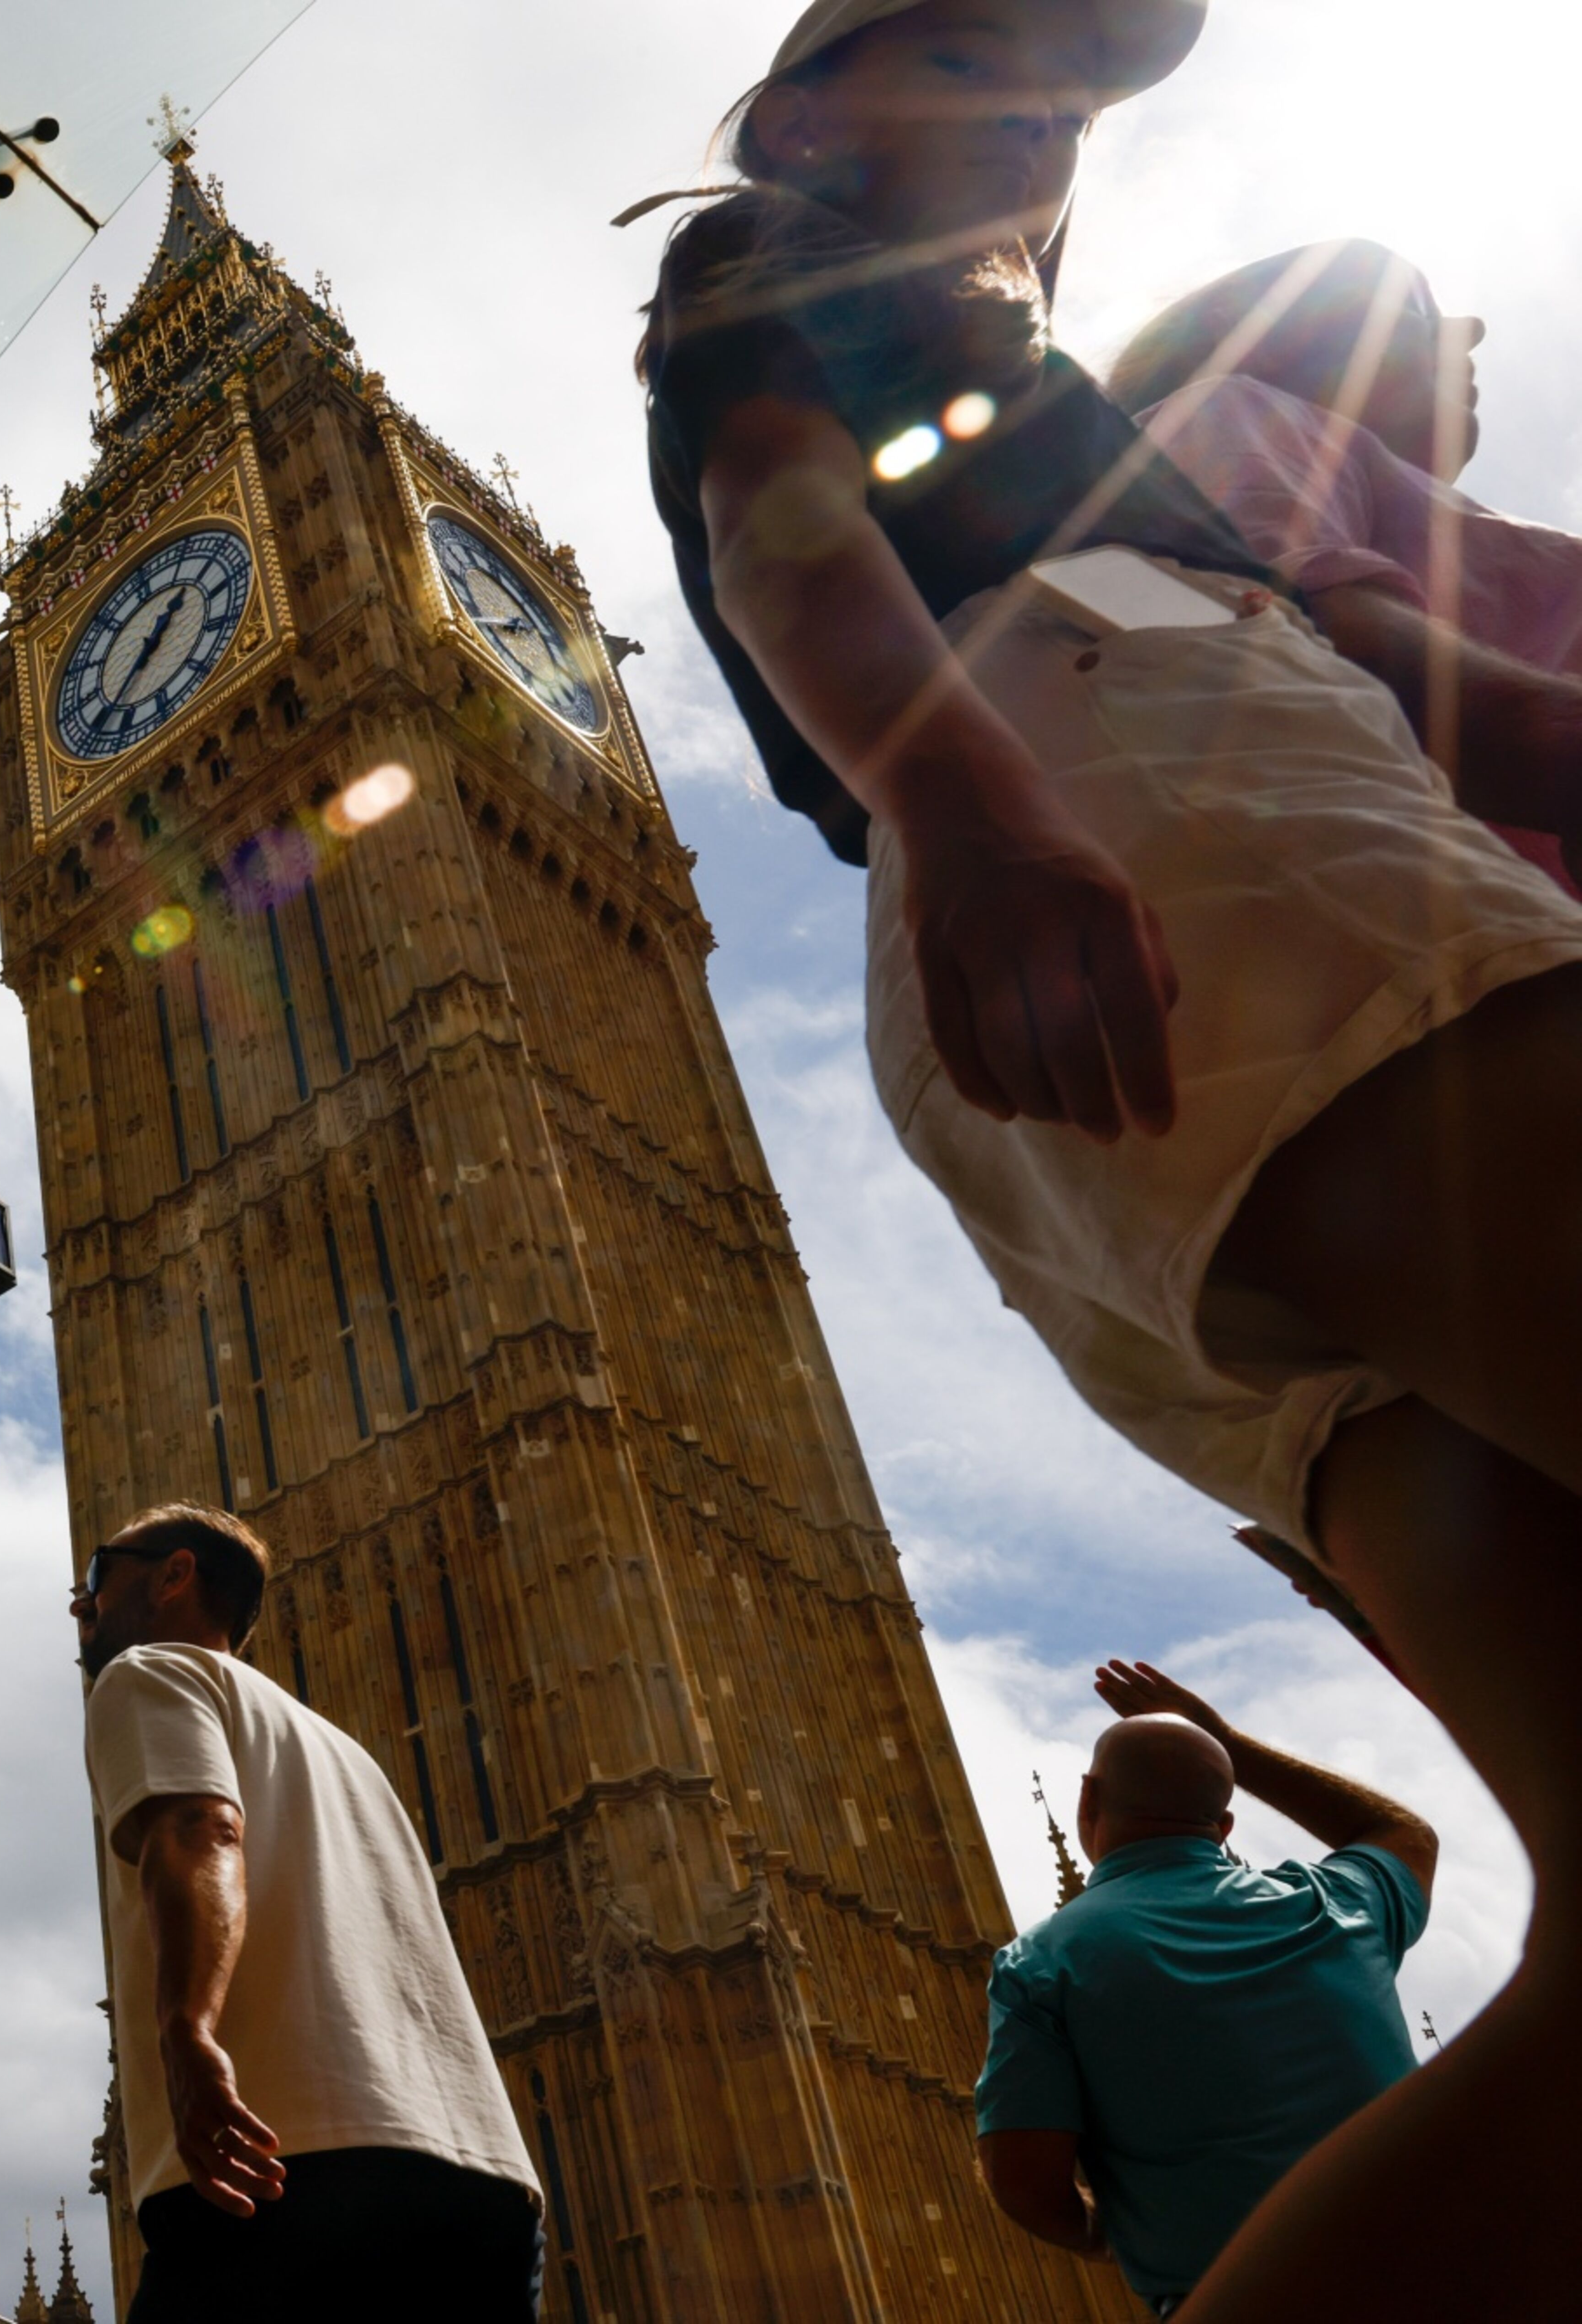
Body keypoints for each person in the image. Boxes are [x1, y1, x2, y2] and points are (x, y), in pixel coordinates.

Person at [631, 4, 1582, 2308]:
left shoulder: (1081, 434)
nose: (1044, 109)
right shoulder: (784, 269)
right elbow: (775, 521)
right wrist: (961, 798)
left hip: (1121, 975)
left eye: (1069, 90)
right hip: (1155, 831)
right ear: (802, 123)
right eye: (986, 51)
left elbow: (1381, 650)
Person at [71, 1503, 541, 2319]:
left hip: (280, 2160)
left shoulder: (149, 1671)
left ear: (175, 1573)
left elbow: (197, 1827)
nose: (79, 1603)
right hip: (485, 2192)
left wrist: (188, 2027)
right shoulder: (348, 1755)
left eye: (95, 1574)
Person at [1108, 241, 1582, 891]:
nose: (1467, 332)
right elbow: (1303, 635)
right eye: (1412, 307)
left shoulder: (1464, 524)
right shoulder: (1236, 411)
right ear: (1260, 335)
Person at [977, 1660, 1433, 2315]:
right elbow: (1406, 1834)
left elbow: (1022, 2178)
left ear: (1087, 1800)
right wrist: (1226, 1740)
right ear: (1225, 1825)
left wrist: (1106, 2238)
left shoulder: (1043, 1963)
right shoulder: (1335, 1904)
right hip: (1448, 2271)